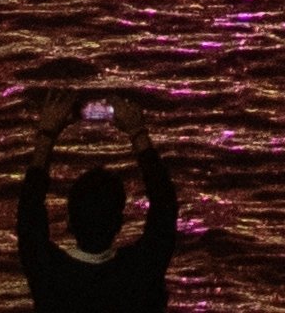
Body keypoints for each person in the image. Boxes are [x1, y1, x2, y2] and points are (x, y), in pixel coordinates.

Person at [16, 81, 180, 309]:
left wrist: (47, 134)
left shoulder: (50, 276)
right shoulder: (139, 272)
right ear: (119, 223)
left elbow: (29, 215)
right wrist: (137, 132)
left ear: (69, 221)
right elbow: (165, 206)